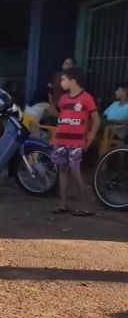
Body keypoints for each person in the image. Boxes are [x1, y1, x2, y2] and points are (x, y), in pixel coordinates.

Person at [52, 67, 100, 216]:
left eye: (63, 79)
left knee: (75, 171)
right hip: (61, 139)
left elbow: (96, 120)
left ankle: (84, 205)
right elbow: (62, 117)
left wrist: (90, 137)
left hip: (76, 142)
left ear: (73, 81)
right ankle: (63, 204)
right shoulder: (63, 99)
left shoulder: (86, 98)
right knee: (63, 170)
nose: (61, 82)